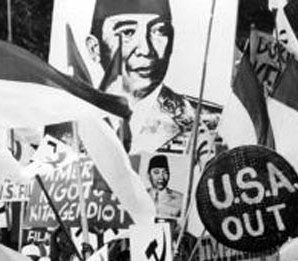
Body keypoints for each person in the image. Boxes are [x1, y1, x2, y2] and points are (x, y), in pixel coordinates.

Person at [84, 0, 209, 153]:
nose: (146, 49)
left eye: (159, 31)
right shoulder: (68, 119)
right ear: (94, 48)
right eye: (127, 32)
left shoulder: (206, 121)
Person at [145, 155, 183, 222]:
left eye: (165, 172)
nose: (161, 177)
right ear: (148, 175)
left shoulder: (180, 199)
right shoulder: (141, 195)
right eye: (156, 172)